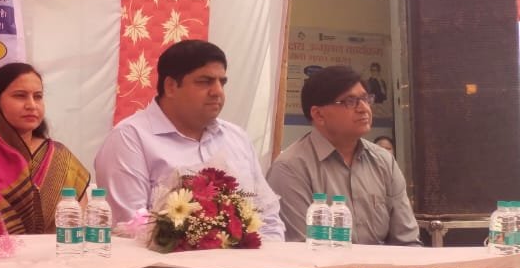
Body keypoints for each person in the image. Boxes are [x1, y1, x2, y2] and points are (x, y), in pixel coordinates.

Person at [93, 40, 284, 238]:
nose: (217, 91)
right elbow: (130, 228)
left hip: (249, 257)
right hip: (162, 258)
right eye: (205, 81)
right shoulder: (129, 139)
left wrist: (266, 254)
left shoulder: (237, 138)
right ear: (170, 86)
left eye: (222, 82)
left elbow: (268, 219)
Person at [266, 66, 419, 246]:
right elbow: (303, 249)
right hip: (321, 263)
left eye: (365, 99)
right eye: (350, 101)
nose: (364, 109)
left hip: (386, 264)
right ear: (318, 114)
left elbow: (407, 242)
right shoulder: (290, 168)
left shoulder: (383, 161)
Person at [0, 63, 90, 234]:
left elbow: (81, 226)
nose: (32, 105)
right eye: (20, 96)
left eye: (38, 96)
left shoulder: (60, 158)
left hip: (57, 250)